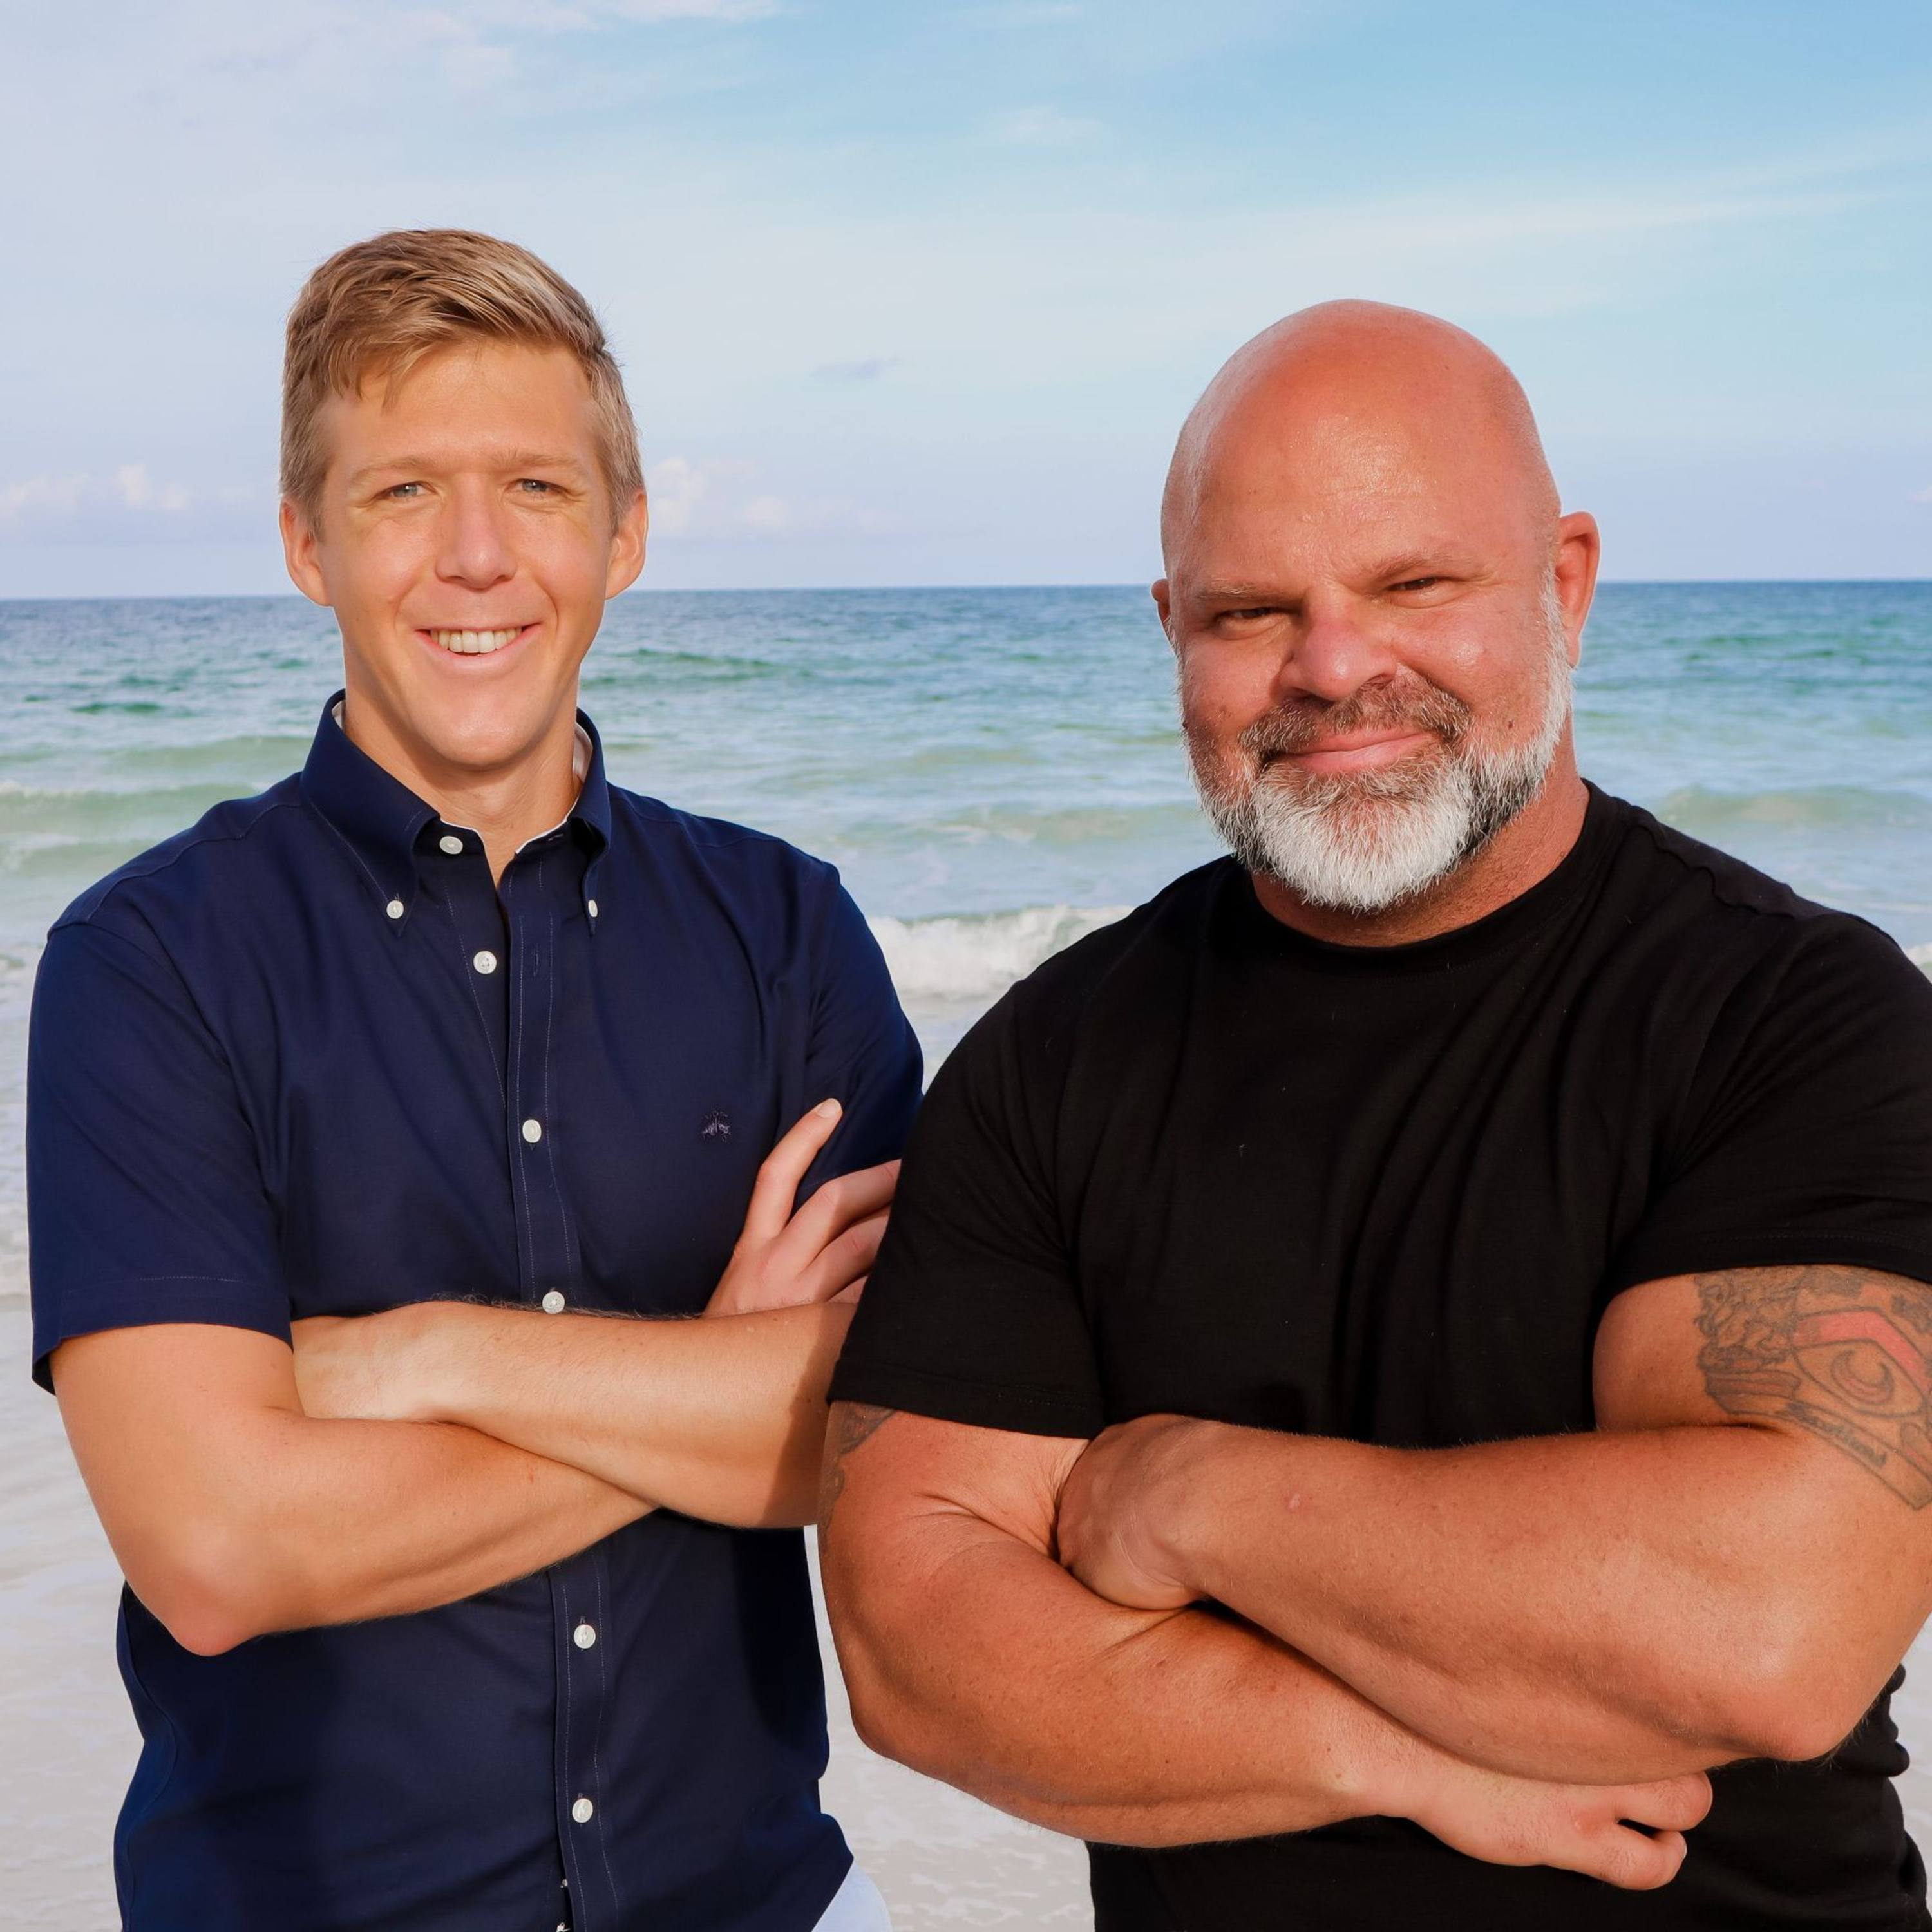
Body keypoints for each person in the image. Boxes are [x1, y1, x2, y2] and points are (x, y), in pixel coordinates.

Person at [819, 299, 1932, 1929]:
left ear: (1565, 584)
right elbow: (920, 1655)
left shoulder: (1798, 1014)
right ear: (1171, 627)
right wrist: (1401, 1761)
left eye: (1415, 586)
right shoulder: (1050, 1059)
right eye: (1251, 610)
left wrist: (1185, 1493)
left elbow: (1767, 1627)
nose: (1334, 668)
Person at [28, 229, 920, 1932]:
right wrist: (716, 1380)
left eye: (535, 486)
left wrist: (430, 1355)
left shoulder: (788, 932)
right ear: (307, 543)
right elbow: (217, 1550)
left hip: (760, 1902)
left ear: (623, 532)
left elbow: (887, 1433)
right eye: (402, 492)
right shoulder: (148, 964)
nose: (478, 557)